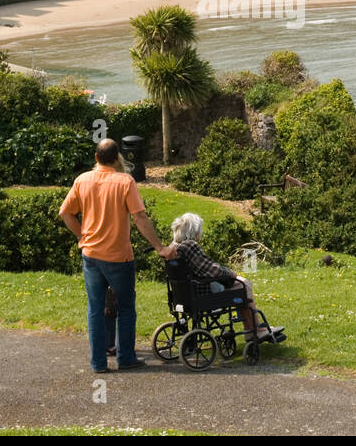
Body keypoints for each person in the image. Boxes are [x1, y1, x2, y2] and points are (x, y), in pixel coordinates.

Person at [59, 139, 175, 373]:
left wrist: (82, 237)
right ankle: (125, 358)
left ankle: (98, 363)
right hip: (118, 257)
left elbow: (65, 212)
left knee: (95, 309)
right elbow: (139, 218)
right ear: (116, 158)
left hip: (91, 255)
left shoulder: (82, 180)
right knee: (125, 307)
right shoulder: (125, 181)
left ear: (96, 157)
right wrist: (160, 248)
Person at [168, 212, 274, 342]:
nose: (200, 234)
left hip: (184, 295)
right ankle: (256, 329)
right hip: (203, 293)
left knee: (242, 286)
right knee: (244, 284)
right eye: (199, 230)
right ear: (194, 232)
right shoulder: (190, 246)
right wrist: (231, 273)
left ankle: (251, 329)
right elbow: (212, 270)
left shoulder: (172, 248)